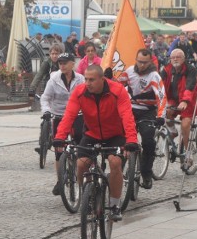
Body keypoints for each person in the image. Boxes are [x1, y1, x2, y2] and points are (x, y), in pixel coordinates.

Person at [53, 65, 139, 222]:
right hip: (92, 134)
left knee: (114, 163)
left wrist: (131, 140)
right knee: (81, 165)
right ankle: (88, 195)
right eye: (86, 79)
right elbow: (69, 116)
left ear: (102, 79)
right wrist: (59, 137)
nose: (87, 83)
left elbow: (127, 116)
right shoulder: (79, 92)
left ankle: (114, 205)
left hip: (115, 135)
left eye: (92, 80)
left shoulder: (117, 91)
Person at [117, 48, 166, 190]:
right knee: (122, 138)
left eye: (145, 62)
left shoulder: (154, 76)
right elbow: (117, 85)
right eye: (139, 61)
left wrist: (160, 117)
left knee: (148, 141)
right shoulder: (129, 71)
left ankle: (146, 173)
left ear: (150, 61)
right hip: (130, 109)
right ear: (136, 59)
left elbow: (162, 98)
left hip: (147, 112)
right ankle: (119, 168)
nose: (142, 65)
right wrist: (109, 79)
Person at [39, 53, 85, 195]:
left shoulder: (80, 79)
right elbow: (45, 98)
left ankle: (83, 179)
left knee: (81, 146)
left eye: (65, 63)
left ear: (73, 64)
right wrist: (46, 111)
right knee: (59, 150)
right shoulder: (53, 79)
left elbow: (86, 96)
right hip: (58, 114)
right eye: (60, 63)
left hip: (77, 115)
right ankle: (60, 180)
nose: (62, 65)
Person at [161, 49, 197, 169]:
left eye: (178, 57)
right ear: (170, 59)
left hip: (189, 101)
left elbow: (190, 85)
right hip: (173, 100)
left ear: (183, 59)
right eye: (173, 57)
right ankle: (172, 131)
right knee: (166, 115)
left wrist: (185, 101)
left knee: (185, 124)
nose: (176, 59)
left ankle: (188, 154)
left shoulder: (190, 69)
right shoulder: (166, 70)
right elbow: (159, 84)